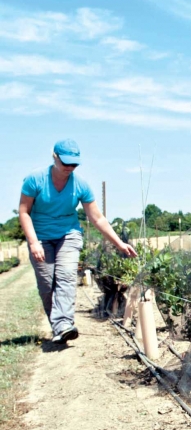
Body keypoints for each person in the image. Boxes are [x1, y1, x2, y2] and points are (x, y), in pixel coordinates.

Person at [19, 139, 137, 344]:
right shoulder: (35, 180)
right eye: (65, 163)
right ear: (54, 156)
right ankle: (58, 327)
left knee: (65, 277)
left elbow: (97, 218)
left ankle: (64, 324)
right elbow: (24, 212)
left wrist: (119, 243)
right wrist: (33, 242)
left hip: (69, 235)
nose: (69, 168)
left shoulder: (80, 185)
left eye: (74, 164)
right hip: (40, 237)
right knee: (47, 285)